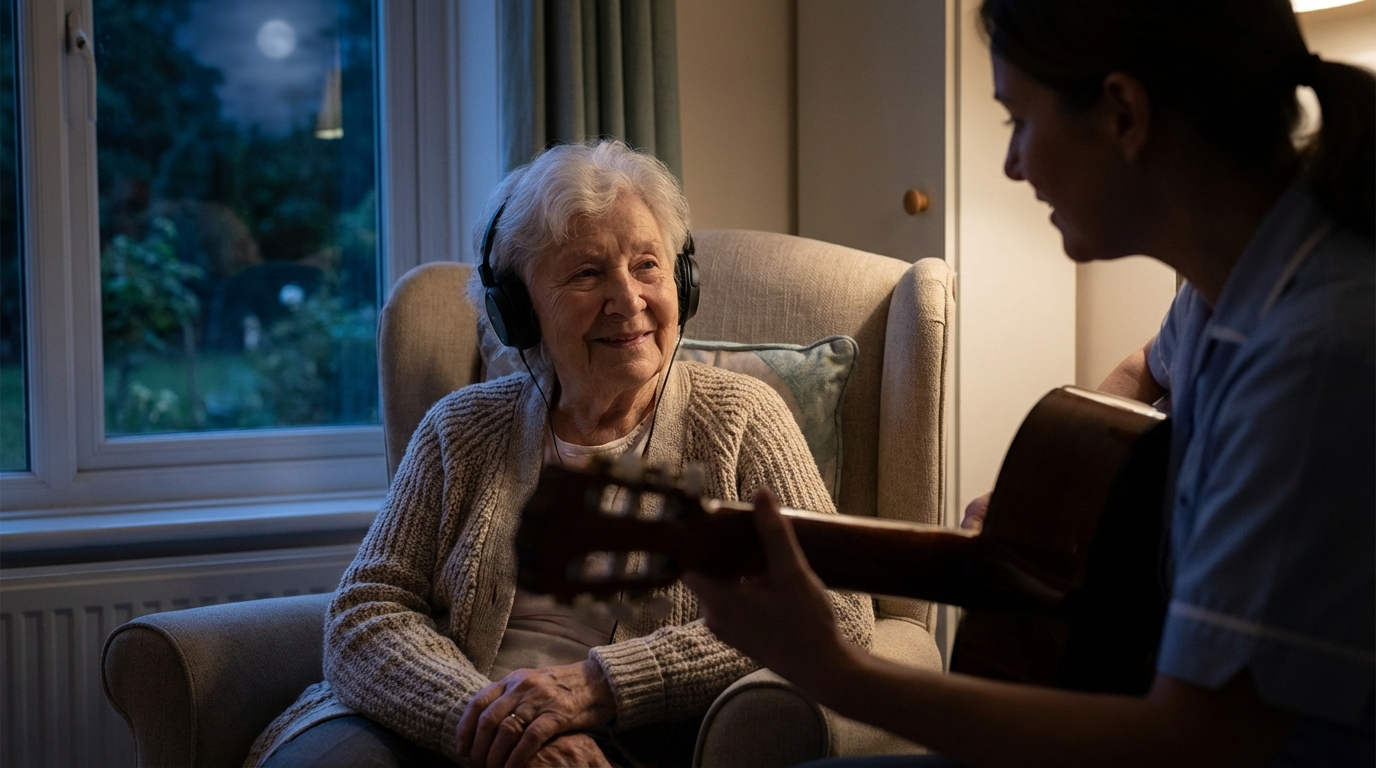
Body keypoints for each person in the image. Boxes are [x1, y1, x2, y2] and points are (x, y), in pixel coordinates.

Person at [684, 1, 1374, 766]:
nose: (1013, 164)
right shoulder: (1227, 290)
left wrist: (835, 671)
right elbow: (1151, 366)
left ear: (1123, 113)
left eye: (1018, 120)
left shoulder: (1312, 359)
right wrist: (1065, 505)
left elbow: (1193, 742)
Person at [245, 140, 874, 768]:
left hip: (624, 739)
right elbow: (366, 612)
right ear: (518, 312)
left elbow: (837, 611)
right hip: (445, 719)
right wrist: (498, 726)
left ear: (682, 280)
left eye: (647, 266)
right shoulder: (460, 429)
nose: (628, 300)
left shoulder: (743, 419)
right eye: (586, 274)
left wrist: (602, 686)